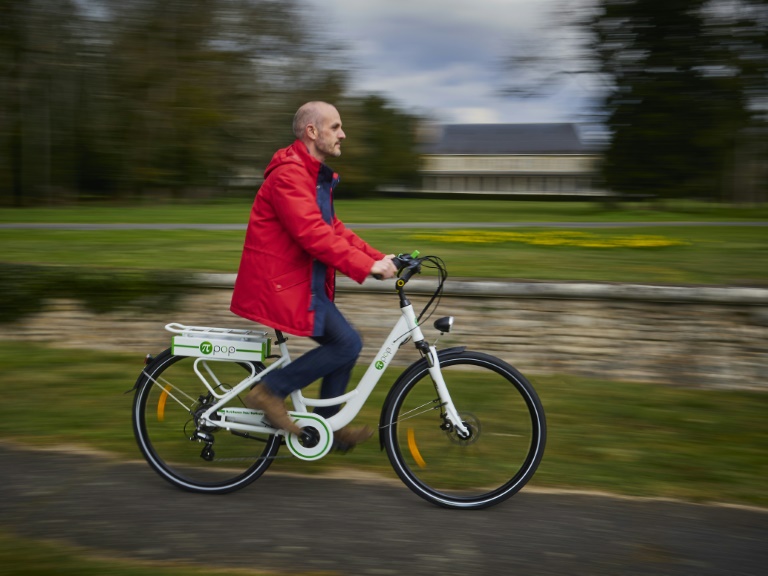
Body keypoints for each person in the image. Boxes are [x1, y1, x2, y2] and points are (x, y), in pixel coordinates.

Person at [230, 101, 398, 450]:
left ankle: (326, 426)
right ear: (312, 132)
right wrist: (366, 267)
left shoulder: (310, 176)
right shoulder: (289, 176)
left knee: (348, 343)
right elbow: (312, 234)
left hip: (301, 285)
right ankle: (269, 392)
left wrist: (378, 256)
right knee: (347, 343)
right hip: (283, 286)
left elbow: (334, 229)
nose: (343, 134)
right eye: (335, 127)